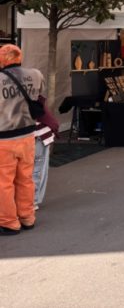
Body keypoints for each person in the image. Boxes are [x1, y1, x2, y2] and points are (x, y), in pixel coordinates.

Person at [0, 45, 44, 234]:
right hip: (27, 135)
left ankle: (9, 222)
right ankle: (27, 217)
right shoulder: (35, 74)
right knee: (25, 178)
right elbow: (40, 98)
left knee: (4, 182)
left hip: (4, 138)